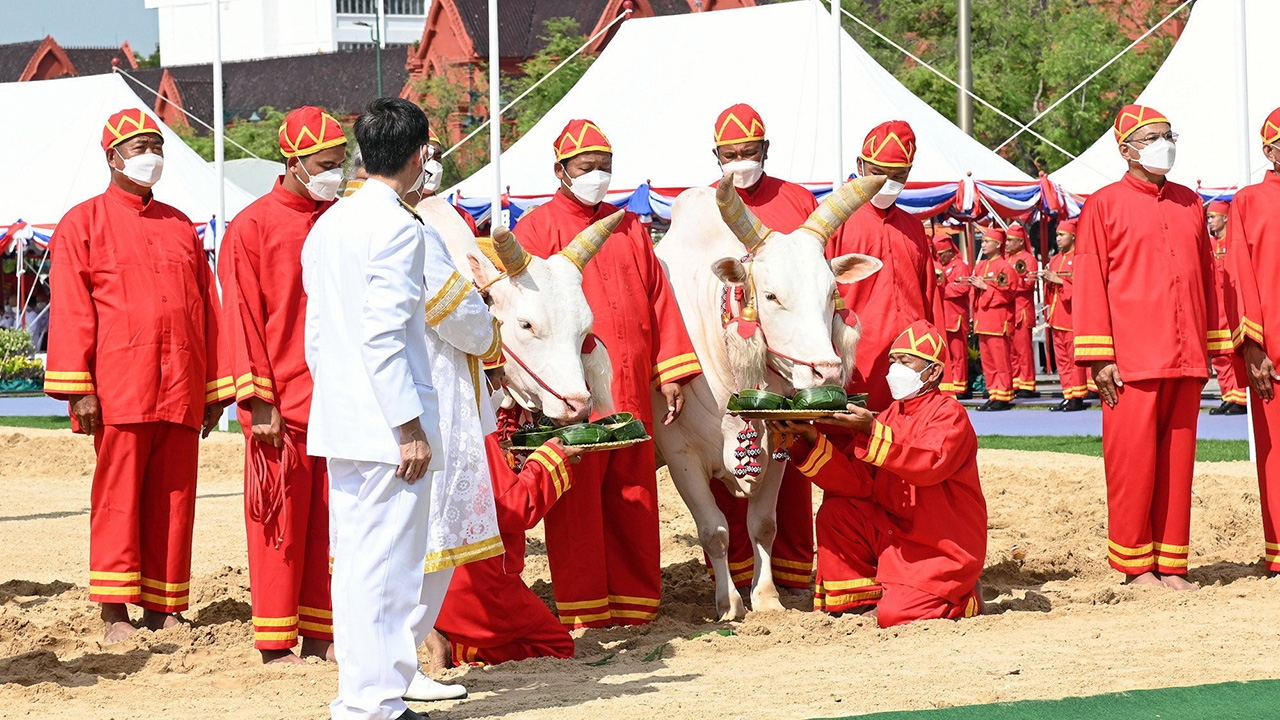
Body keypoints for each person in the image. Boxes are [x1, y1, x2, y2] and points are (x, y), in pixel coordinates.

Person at [303, 98, 499, 720]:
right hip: (389, 427)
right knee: (387, 569)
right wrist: (408, 426)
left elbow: (318, 335)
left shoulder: (329, 223)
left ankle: (364, 698)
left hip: (345, 421)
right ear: (419, 157)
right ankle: (377, 704)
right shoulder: (397, 226)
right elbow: (384, 335)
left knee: (362, 567)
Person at [44, 108, 228, 643]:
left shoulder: (179, 226)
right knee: (118, 497)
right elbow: (73, 310)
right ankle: (114, 610)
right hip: (120, 387)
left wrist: (215, 388)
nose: (152, 156)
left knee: (175, 497)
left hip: (181, 383)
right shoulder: (82, 222)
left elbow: (208, 309)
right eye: (140, 146)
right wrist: (79, 389)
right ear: (113, 157)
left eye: (157, 145)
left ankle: (165, 605)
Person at [512, 118, 700, 628]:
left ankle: (637, 606)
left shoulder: (630, 226)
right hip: (571, 387)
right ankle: (587, 609)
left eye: (604, 167)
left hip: (632, 387)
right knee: (577, 498)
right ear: (560, 170)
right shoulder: (534, 228)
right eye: (586, 168)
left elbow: (660, 298)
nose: (597, 175)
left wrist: (673, 370)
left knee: (634, 493)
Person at [1073, 104, 1227, 590]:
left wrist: (1215, 350)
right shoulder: (1103, 204)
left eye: (1169, 135)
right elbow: (1091, 281)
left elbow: (1209, 276)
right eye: (1154, 137)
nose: (1166, 144)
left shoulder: (1189, 202)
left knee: (1178, 465)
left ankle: (1173, 564)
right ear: (1126, 150)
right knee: (1132, 466)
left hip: (1185, 357)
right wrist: (1099, 357)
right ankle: (1136, 566)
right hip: (1131, 360)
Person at [216, 106, 346, 664]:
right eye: (326, 164)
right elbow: (241, 321)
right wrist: (258, 402)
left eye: (341, 163)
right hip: (281, 404)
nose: (335, 174)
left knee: (332, 529)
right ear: (293, 162)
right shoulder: (251, 227)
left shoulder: (342, 219)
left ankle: (322, 637)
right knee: (279, 526)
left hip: (341, 401)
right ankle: (274, 644)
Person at [768, 320, 986, 627]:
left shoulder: (950, 415)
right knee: (837, 512)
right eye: (893, 361)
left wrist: (871, 430)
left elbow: (927, 466)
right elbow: (858, 481)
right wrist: (806, 440)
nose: (895, 370)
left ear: (934, 372)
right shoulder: (891, 414)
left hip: (939, 546)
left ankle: (966, 600)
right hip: (895, 533)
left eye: (906, 362)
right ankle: (862, 600)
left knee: (895, 615)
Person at [705, 103, 819, 592]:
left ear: (766, 150)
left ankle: (792, 570)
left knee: (787, 465)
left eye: (749, 152)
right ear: (716, 157)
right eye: (730, 154)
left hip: (789, 358)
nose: (740, 161)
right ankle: (735, 571)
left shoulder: (797, 201)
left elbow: (818, 277)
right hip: (726, 361)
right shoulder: (703, 205)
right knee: (728, 464)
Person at [433, 434, 582, 666]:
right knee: (558, 645)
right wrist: (549, 460)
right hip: (476, 583)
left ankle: (445, 634)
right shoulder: (476, 429)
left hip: (436, 576)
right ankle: (463, 647)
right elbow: (514, 508)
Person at [828, 120, 944, 413]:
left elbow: (929, 298)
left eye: (898, 175)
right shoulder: (834, 219)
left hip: (909, 360)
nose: (887, 182)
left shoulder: (914, 228)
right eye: (878, 173)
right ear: (860, 165)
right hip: (854, 357)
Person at [1224, 106, 1280, 575]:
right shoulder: (1249, 202)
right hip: (1275, 355)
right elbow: (1240, 278)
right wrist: (1253, 346)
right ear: (1269, 150)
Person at [966, 228, 1019, 411]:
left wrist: (985, 288)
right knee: (988, 361)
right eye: (983, 241)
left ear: (998, 244)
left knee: (1001, 360)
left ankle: (1003, 395)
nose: (983, 244)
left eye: (987, 241)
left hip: (997, 321)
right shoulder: (980, 266)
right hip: (983, 320)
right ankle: (993, 393)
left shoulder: (1005, 267)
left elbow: (1009, 295)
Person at [1206, 200, 1247, 415]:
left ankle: (1241, 398)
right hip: (1215, 309)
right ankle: (1229, 395)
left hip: (1231, 306)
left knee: (1235, 354)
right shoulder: (1209, 245)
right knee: (1220, 355)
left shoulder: (1234, 243)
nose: (1209, 221)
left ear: (1226, 217)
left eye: (1213, 217)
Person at [1044, 219, 1089, 411]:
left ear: (1073, 236)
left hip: (1071, 317)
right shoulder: (1055, 259)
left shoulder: (1079, 258)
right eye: (1057, 235)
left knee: (1073, 359)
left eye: (1062, 235)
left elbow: (1084, 288)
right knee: (1061, 360)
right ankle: (1067, 393)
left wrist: (1060, 282)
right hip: (1056, 316)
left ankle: (1077, 395)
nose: (1058, 239)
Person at [1003, 224, 1039, 398]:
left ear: (1020, 241)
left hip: (1022, 309)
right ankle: (1016, 381)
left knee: (1023, 349)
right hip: (1008, 310)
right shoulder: (1006, 259)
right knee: (1011, 350)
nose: (1007, 243)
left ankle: (1027, 383)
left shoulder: (1028, 258)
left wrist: (1010, 284)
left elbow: (1029, 284)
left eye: (1010, 240)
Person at [934, 232, 971, 399]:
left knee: (958, 353)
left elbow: (962, 288)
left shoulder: (960, 266)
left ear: (950, 251)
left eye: (942, 254)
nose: (940, 258)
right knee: (948, 354)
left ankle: (961, 385)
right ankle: (952, 383)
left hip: (956, 316)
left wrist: (942, 290)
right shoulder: (944, 267)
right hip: (946, 316)